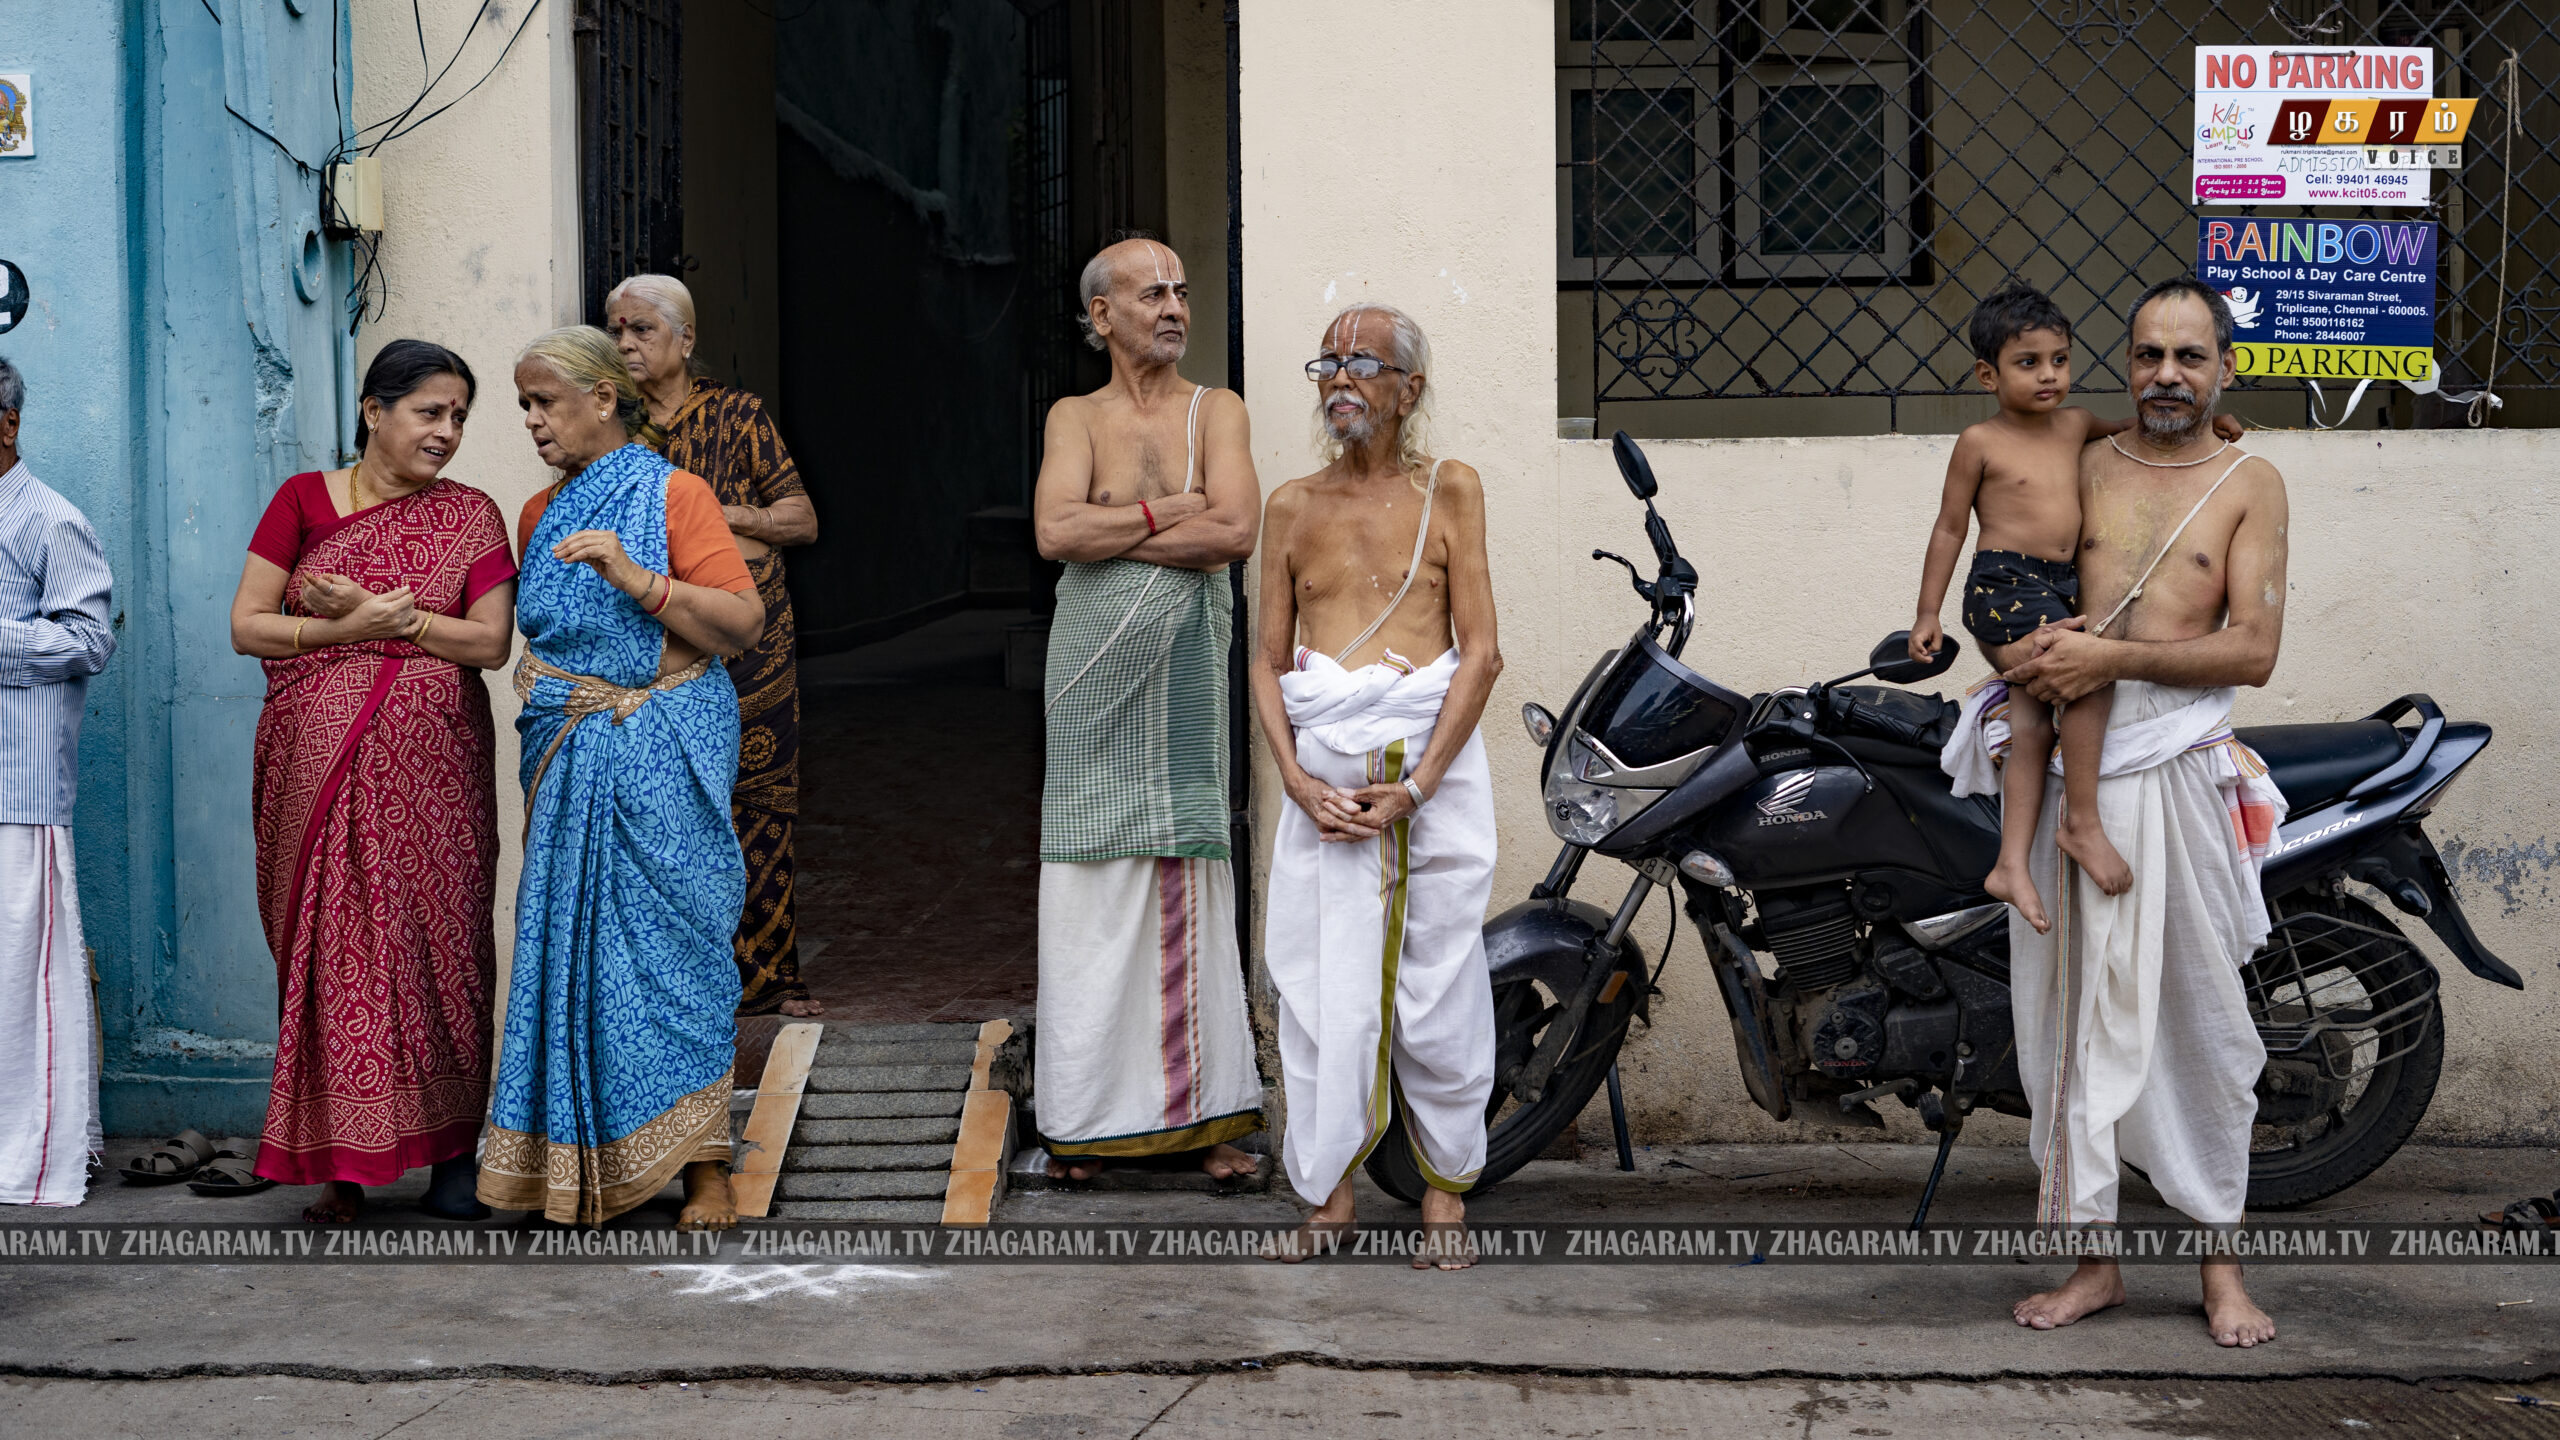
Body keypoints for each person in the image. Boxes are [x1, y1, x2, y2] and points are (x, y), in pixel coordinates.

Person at [1998, 278, 2290, 1347]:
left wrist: (2108, 656)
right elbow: (1999, 544)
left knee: (2203, 1029)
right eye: (2148, 356)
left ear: (2225, 368)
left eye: (2189, 357)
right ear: (2126, 367)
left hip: (2176, 768)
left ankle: (2221, 1269)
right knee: (2069, 1029)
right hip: (2077, 775)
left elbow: (2253, 652)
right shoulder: (2080, 461)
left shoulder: (2251, 483)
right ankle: (2095, 1266)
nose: (2168, 375)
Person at [478, 326, 766, 1229]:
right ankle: (570, 1168)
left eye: (544, 402)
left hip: (662, 741)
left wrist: (635, 575)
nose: (530, 420)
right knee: (571, 956)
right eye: (522, 404)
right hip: (569, 755)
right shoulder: (537, 513)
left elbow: (740, 623)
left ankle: (705, 1165)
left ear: (604, 399)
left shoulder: (676, 493)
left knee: (678, 953)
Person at [229, 340, 517, 1222]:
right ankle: (341, 1169)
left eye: (460, 417)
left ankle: (455, 1161)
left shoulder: (472, 517)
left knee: (443, 948)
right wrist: (346, 631)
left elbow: (490, 643)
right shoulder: (303, 502)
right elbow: (247, 626)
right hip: (316, 767)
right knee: (336, 950)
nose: (448, 432)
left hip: (434, 781)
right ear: (373, 411)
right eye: (430, 412)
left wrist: (400, 617)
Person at [1250, 305, 1499, 1269]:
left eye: (1365, 362)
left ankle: (1445, 1196)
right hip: (1326, 795)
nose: (1340, 378)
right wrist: (1298, 783)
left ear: (1410, 389)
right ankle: (1331, 1200)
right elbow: (1267, 664)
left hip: (1424, 787)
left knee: (1438, 988)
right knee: (1321, 993)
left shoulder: (1452, 492)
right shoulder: (1290, 506)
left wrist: (1420, 788)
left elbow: (1479, 655)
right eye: (1329, 362)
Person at [1030, 238, 1264, 1181]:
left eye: (1180, 288)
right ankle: (1084, 1125)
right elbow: (1053, 532)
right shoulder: (1074, 416)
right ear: (1102, 317)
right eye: (1151, 293)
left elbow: (1239, 531)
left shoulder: (1219, 411)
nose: (1174, 306)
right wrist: (1174, 512)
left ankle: (1202, 1126)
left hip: (1182, 692)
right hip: (1090, 687)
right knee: (1089, 895)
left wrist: (1113, 531)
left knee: (1184, 891)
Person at [1915, 286, 2241, 933]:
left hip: (2056, 587)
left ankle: (2010, 864)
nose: (2049, 376)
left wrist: (2213, 424)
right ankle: (2083, 826)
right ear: (1988, 375)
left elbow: (2136, 430)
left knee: (2033, 723)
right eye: (2029, 363)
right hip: (2004, 587)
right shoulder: (1980, 441)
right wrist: (1928, 614)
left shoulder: (2075, 423)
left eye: (2059, 360)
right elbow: (1949, 529)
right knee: (2088, 678)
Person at [607, 274, 822, 1019]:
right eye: (617, 331)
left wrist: (722, 515)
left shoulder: (738, 416)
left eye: (642, 329)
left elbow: (801, 518)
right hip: (659, 641)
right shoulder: (612, 429)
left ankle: (767, 982)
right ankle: (680, 986)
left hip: (753, 651)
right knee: (664, 807)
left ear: (686, 339)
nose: (626, 343)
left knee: (758, 802)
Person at [0, 356, 113, 1207]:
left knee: (21, 987)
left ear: (7, 425)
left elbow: (87, 640)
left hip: (18, 791)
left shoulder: (49, 520)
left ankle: (31, 1164)